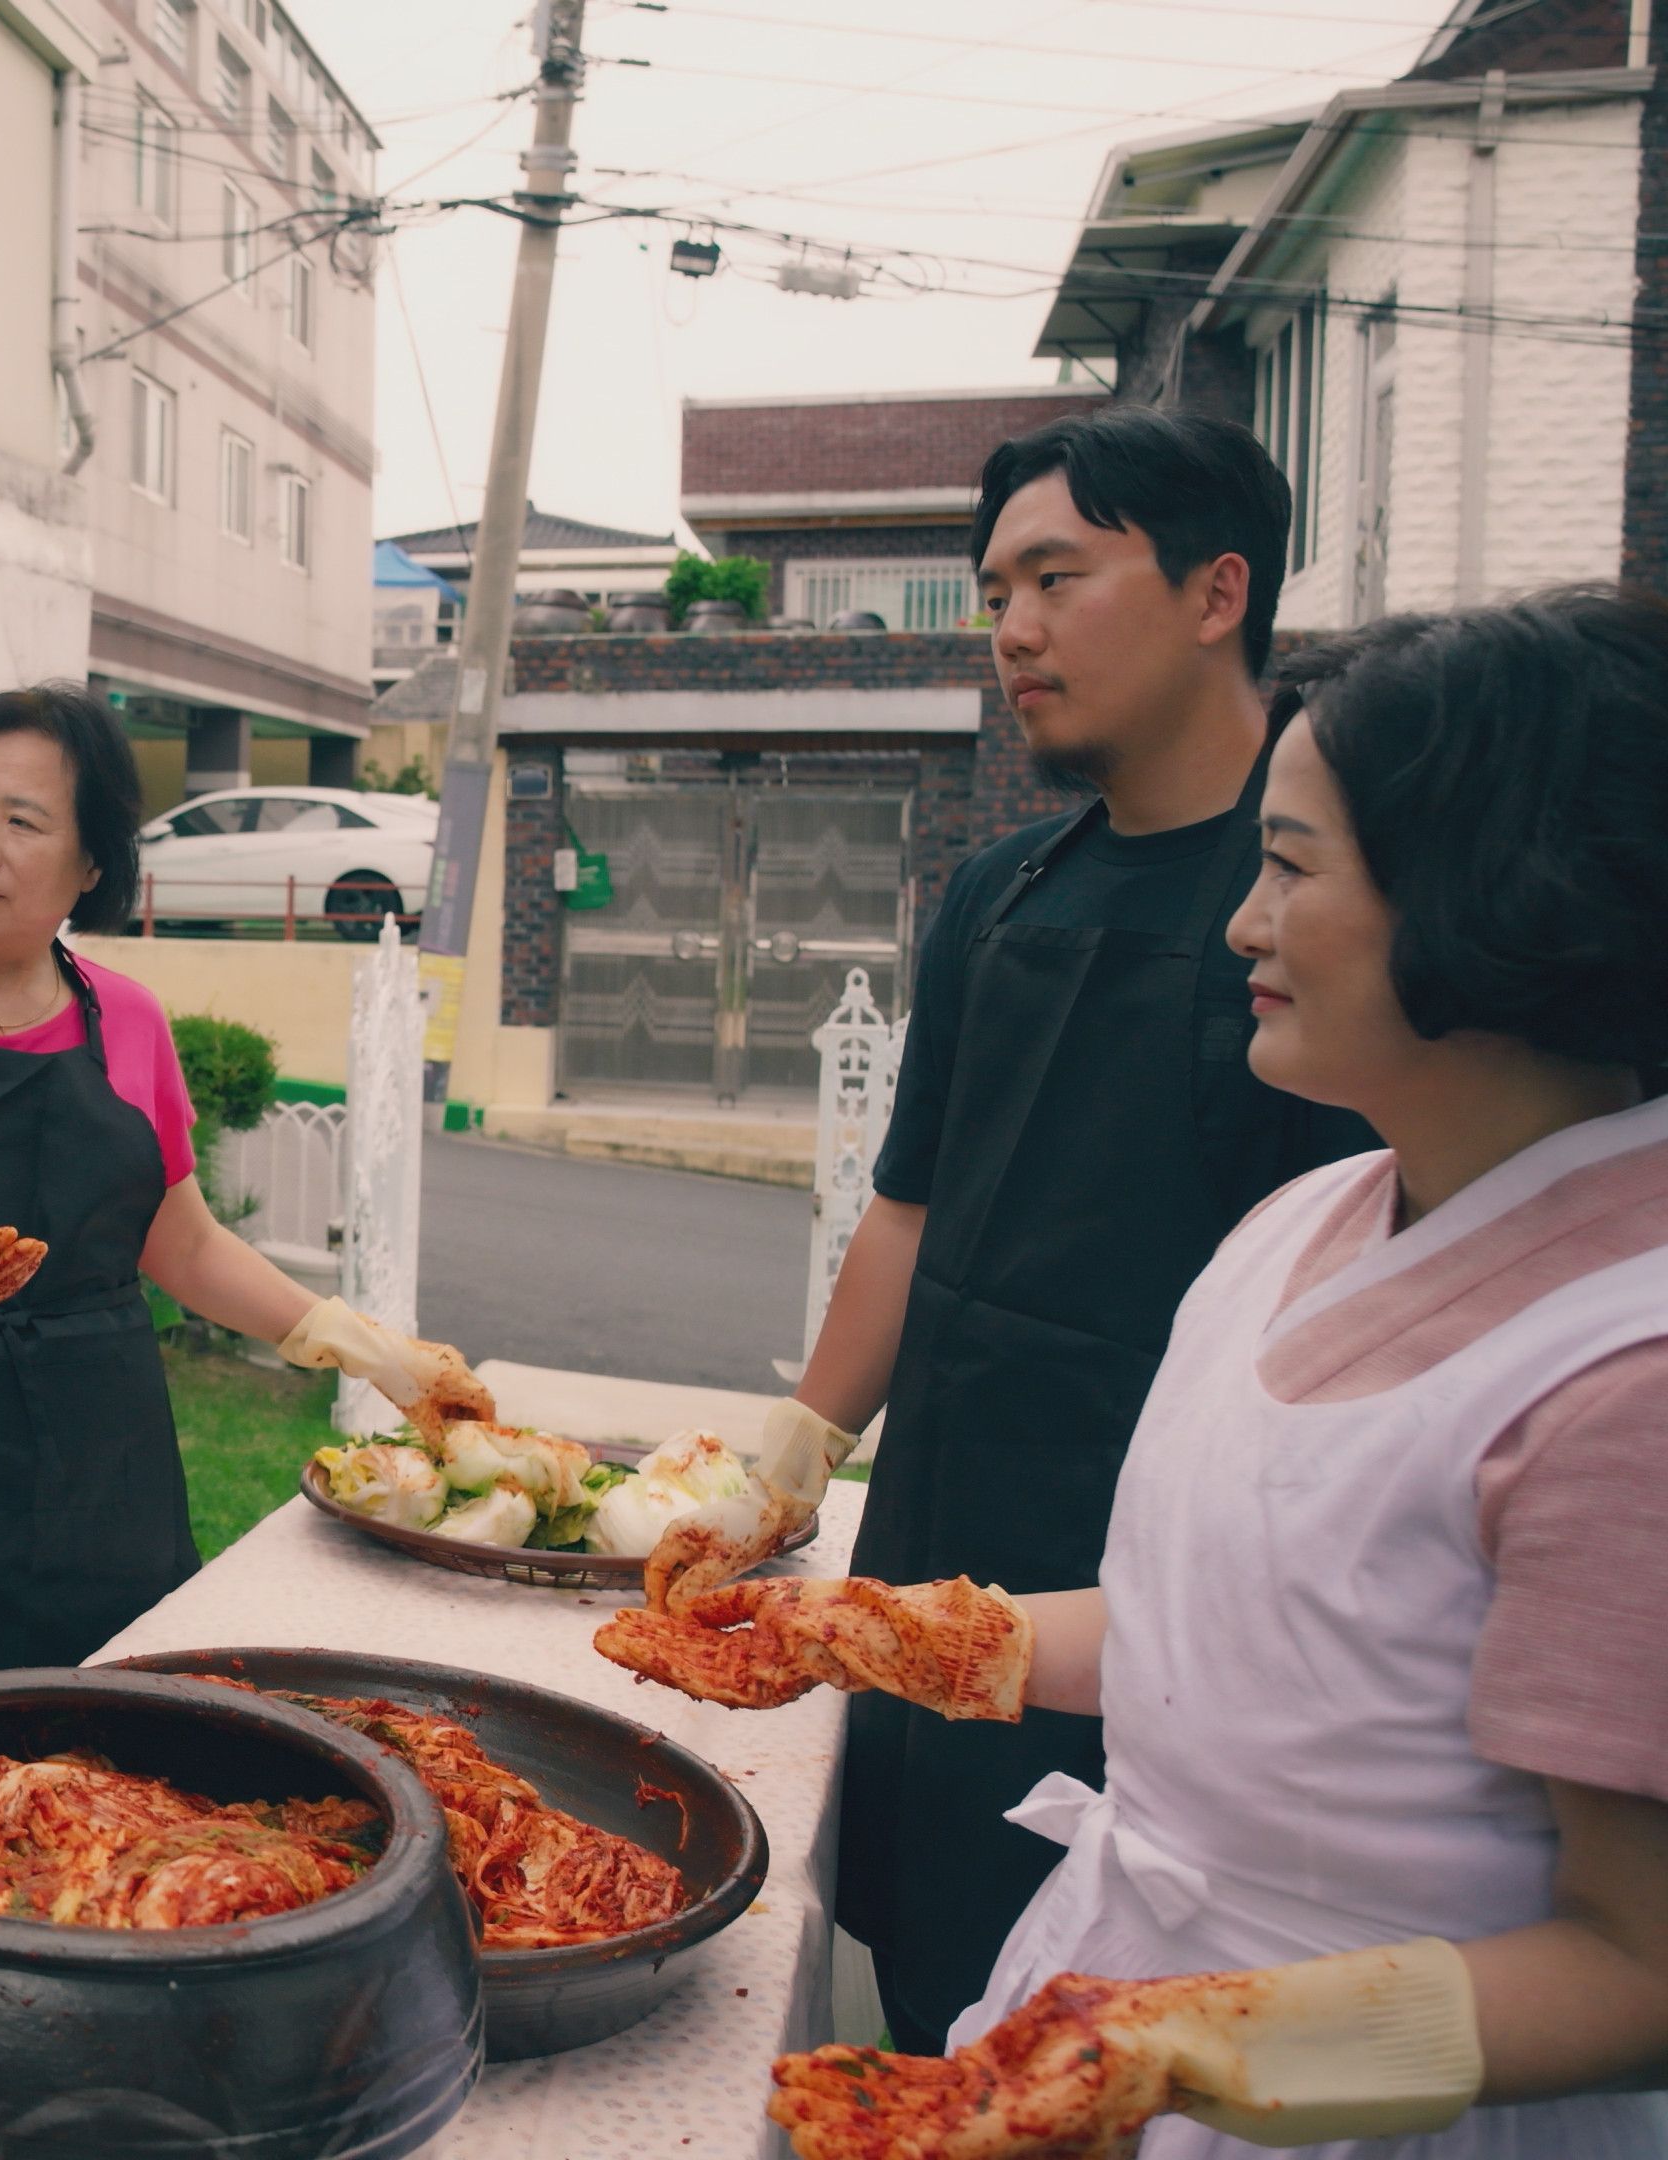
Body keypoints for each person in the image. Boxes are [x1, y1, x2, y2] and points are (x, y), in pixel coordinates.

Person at [605, 588, 1668, 2157]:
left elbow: (1637, 1967)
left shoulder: (1621, 1380)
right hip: (1134, 1990)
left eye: (1293, 867)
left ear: (1507, 899)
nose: (1241, 923)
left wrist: (1187, 2041)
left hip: (1376, 2103)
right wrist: (858, 1630)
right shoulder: (1309, 1220)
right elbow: (1215, 1638)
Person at [776, 406, 1379, 2045]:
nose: (1014, 632)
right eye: (993, 593)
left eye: (1058, 575)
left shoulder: (1352, 909)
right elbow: (911, 1203)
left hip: (1181, 1596)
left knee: (1115, 2046)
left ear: (1215, 591)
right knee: (923, 1992)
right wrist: (800, 1443)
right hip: (944, 1534)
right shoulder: (1002, 892)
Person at [0, 684, 500, 1746]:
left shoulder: (128, 1023)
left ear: (92, 866)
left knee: (109, 1777)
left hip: (97, 1481)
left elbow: (180, 1242)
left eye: (22, 821)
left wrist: (353, 1341)